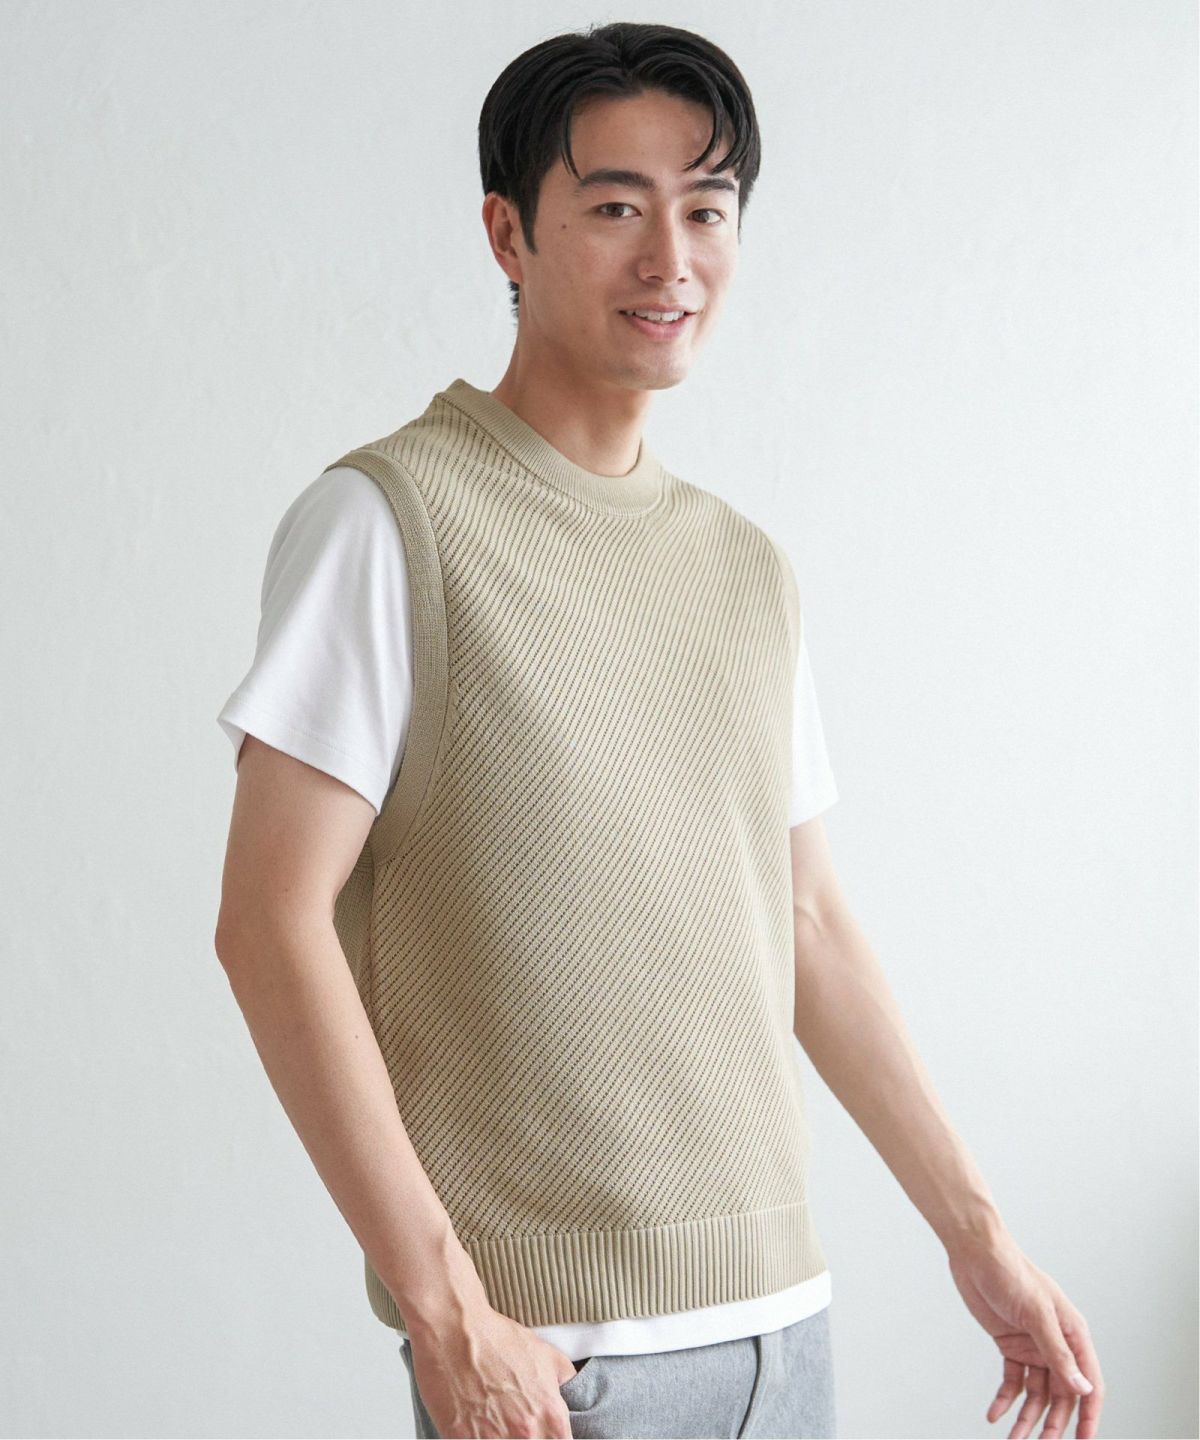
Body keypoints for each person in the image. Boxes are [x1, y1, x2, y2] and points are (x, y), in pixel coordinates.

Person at [213, 21, 1104, 1440]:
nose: (671, 258)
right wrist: (447, 1309)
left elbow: (807, 923)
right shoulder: (391, 522)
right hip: (554, 1360)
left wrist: (977, 1237)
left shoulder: (746, 568)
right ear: (508, 233)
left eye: (707, 209)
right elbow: (269, 924)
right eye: (617, 207)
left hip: (784, 1329)